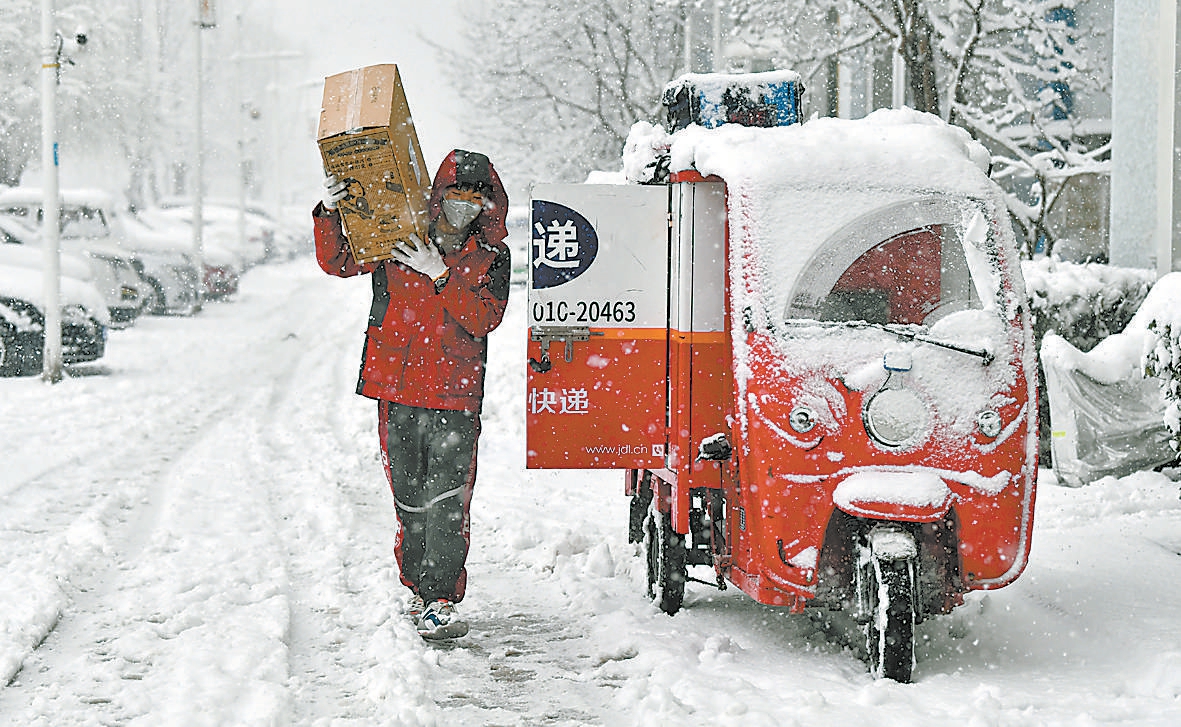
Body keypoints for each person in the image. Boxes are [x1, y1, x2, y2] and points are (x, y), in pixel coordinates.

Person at [312, 150, 511, 640]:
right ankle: (416, 583)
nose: (465, 203)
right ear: (437, 196)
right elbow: (338, 261)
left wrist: (440, 274)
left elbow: (484, 317)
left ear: (488, 203)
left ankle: (440, 595)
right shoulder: (399, 235)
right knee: (409, 497)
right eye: (455, 193)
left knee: (447, 498)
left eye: (476, 195)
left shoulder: (492, 257)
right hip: (396, 387)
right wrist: (330, 211)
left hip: (454, 394)